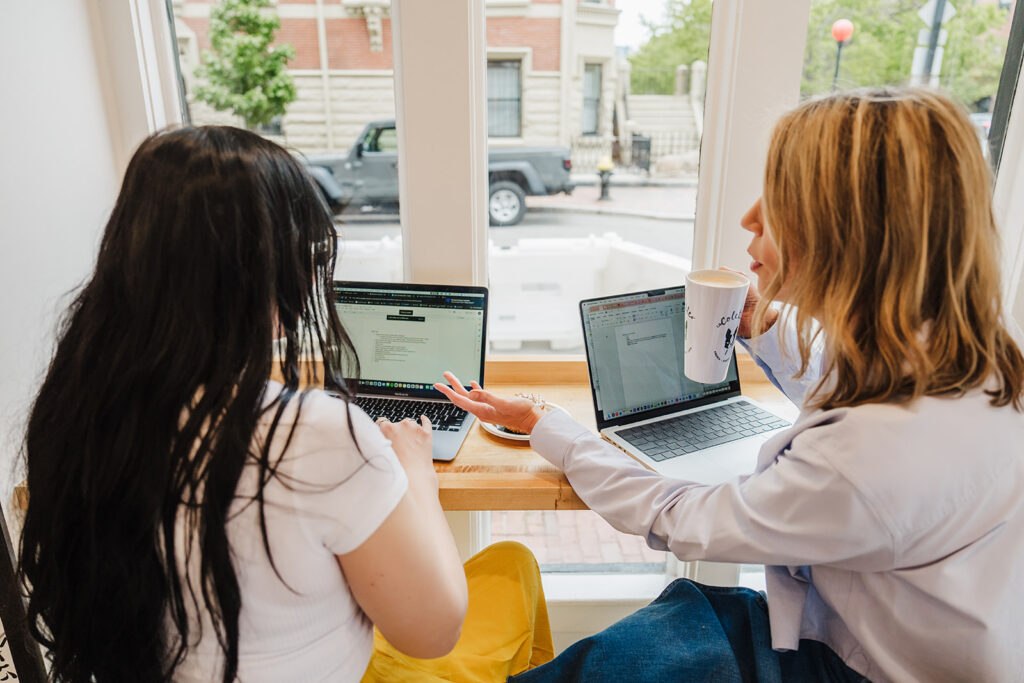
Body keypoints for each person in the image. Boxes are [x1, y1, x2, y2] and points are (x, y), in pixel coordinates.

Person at [437, 88, 1024, 682]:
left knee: (627, 656)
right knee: (680, 621)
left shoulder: (874, 455)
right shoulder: (976, 360)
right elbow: (857, 397)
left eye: (779, 196)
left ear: (848, 232)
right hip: (894, 636)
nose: (749, 218)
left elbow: (684, 519)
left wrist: (546, 425)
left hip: (860, 667)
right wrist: (762, 326)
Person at [18, 126, 551, 682]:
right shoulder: (313, 433)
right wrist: (415, 473)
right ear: (264, 272)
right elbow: (434, 634)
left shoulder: (76, 410)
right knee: (513, 565)